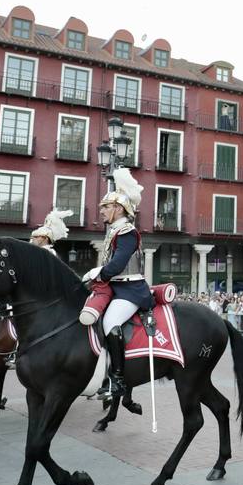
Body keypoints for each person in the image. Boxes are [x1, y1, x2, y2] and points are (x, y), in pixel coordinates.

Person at [78, 167, 151, 411]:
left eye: (105, 207)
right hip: (117, 288)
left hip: (131, 289)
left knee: (110, 323)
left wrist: (97, 273)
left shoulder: (127, 231)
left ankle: (118, 379)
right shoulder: (115, 230)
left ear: (118, 208)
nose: (101, 211)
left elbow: (118, 264)